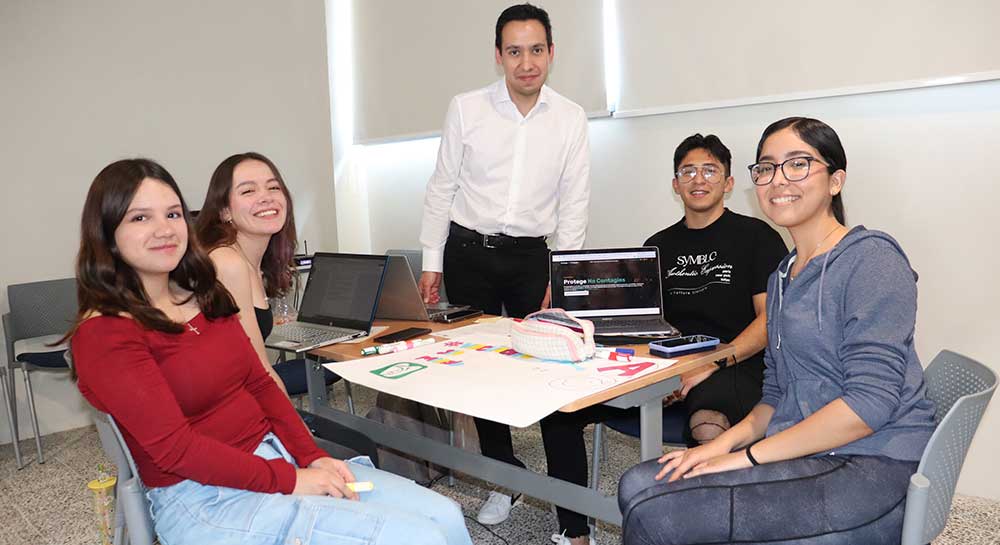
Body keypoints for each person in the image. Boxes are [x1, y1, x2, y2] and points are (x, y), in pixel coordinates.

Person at [69, 158, 473, 545]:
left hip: (274, 457)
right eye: (140, 218)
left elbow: (260, 383)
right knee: (419, 538)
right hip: (205, 497)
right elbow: (177, 451)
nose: (164, 229)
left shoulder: (203, 296)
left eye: (173, 214)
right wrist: (292, 480)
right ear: (107, 234)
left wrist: (311, 456)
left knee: (445, 516)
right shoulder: (106, 333)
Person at [617, 117, 937, 545]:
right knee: (636, 484)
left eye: (798, 164)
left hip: (872, 464)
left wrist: (745, 458)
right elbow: (776, 395)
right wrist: (719, 447)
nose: (779, 179)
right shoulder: (784, 275)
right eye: (766, 167)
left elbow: (868, 406)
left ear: (836, 180)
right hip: (808, 453)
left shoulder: (872, 260)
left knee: (655, 511)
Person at [539, 134, 787, 544]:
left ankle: (713, 532)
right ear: (675, 184)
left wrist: (709, 365)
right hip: (668, 363)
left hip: (734, 362)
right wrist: (657, 375)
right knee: (560, 411)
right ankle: (575, 532)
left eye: (710, 171)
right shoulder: (657, 246)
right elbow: (646, 326)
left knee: (708, 422)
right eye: (688, 171)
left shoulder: (756, 237)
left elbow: (768, 322)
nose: (698, 179)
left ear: (728, 182)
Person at [417, 3, 591, 528]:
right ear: (498, 56)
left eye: (536, 50)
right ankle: (505, 476)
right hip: (467, 254)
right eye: (514, 51)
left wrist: (561, 274)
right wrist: (432, 261)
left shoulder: (570, 118)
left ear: (551, 53)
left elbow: (574, 204)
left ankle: (574, 522)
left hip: (531, 259)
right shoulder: (466, 108)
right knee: (481, 376)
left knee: (556, 381)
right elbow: (442, 187)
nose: (526, 62)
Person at [195, 152, 339, 396]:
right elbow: (258, 372)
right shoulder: (227, 262)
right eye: (248, 191)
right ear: (224, 211)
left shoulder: (251, 262)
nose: (266, 197)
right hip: (223, 405)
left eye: (273, 187)